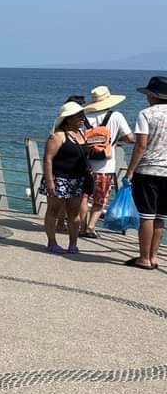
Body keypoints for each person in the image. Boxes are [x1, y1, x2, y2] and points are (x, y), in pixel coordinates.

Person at [124, 76, 167, 269]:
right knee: (160, 217)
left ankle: (143, 258)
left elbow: (141, 145)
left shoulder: (146, 114)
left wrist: (130, 170)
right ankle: (154, 256)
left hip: (149, 170)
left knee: (147, 216)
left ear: (152, 95)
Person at [80, 85, 134, 237]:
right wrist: (116, 139)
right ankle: (91, 227)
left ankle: (81, 227)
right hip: (105, 166)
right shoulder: (116, 116)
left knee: (83, 197)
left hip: (86, 164)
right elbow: (130, 138)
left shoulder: (85, 117)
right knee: (100, 200)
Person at [41, 100, 90, 255]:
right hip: (59, 178)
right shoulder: (57, 136)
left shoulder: (82, 133)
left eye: (83, 116)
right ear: (69, 118)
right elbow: (48, 158)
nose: (82, 119)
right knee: (53, 211)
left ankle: (73, 244)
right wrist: (50, 181)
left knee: (74, 213)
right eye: (79, 116)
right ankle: (52, 242)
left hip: (77, 179)